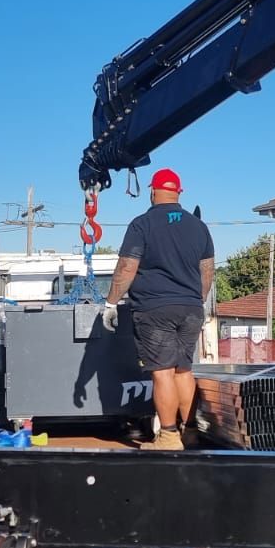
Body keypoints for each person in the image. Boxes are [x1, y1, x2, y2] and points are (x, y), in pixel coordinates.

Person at [103, 167, 214, 450]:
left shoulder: (142, 224)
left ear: (152, 191)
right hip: (191, 308)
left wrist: (111, 302)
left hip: (155, 308)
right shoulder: (199, 227)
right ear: (180, 192)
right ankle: (189, 432)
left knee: (163, 371)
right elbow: (208, 271)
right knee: (184, 370)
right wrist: (196, 299)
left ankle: (168, 436)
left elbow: (128, 266)